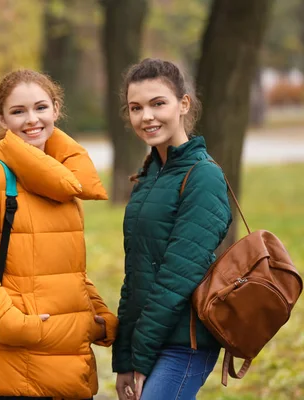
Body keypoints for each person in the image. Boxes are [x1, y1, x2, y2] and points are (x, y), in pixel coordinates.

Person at [0, 69, 119, 399]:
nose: (32, 120)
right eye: (18, 111)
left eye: (40, 107)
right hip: (19, 364)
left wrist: (101, 320)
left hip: (71, 362)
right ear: (1, 118)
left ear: (56, 109)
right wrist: (14, 325)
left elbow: (68, 271)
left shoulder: (63, 182)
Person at [112, 58, 232, 400]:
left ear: (183, 104)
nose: (146, 116)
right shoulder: (149, 174)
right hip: (152, 340)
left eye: (157, 103)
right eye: (136, 107)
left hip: (185, 342)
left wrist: (142, 358)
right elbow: (135, 273)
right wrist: (124, 357)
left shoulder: (203, 175)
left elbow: (177, 276)